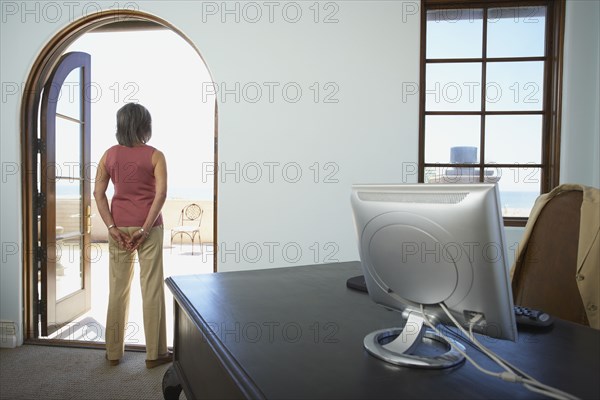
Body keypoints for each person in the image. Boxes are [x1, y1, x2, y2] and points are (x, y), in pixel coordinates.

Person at [93, 103, 171, 368]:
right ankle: (154, 355)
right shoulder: (155, 155)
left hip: (119, 229)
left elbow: (98, 194)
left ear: (120, 125)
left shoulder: (109, 155)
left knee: (117, 289)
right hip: (148, 228)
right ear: (144, 125)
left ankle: (113, 353)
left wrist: (112, 228)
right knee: (151, 288)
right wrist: (146, 229)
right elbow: (160, 195)